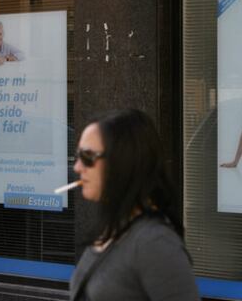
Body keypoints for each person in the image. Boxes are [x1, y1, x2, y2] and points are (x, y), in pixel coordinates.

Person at [70, 109, 200, 301]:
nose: (77, 167)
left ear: (123, 161)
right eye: (77, 156)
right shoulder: (113, 228)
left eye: (88, 157)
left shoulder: (154, 243)